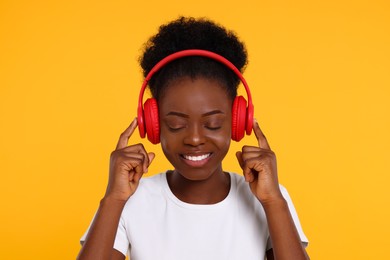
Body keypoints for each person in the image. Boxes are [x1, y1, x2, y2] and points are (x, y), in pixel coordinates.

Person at [78, 17, 309, 260]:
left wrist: (273, 202)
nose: (195, 139)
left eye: (213, 124)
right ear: (153, 125)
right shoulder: (130, 200)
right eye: (176, 124)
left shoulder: (269, 197)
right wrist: (113, 198)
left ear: (237, 121)